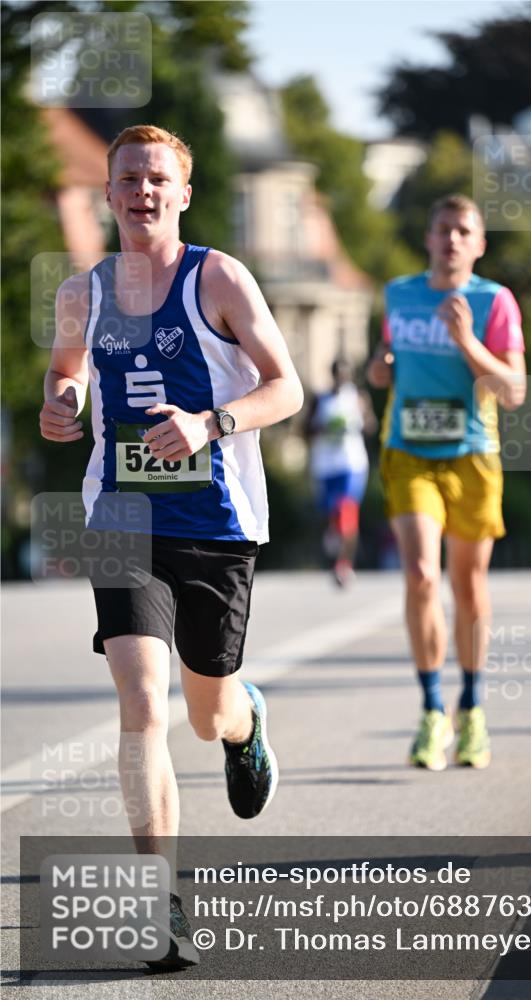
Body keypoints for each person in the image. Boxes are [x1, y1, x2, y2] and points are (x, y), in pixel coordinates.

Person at [39, 124, 303, 968]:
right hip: (121, 517)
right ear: (108, 194)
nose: (141, 191)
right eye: (127, 179)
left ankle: (244, 720)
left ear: (182, 193)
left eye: (157, 178)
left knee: (203, 711)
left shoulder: (218, 277)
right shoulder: (82, 292)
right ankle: (161, 907)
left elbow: (285, 387)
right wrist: (64, 398)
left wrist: (210, 423)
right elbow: (66, 369)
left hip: (217, 526)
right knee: (143, 702)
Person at [367, 193, 526, 772]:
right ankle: (433, 710)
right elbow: (384, 360)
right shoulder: (399, 294)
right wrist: (379, 369)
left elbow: (514, 390)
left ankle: (473, 708)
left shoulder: (494, 301)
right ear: (429, 239)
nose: (452, 240)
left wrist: (465, 340)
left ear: (479, 244)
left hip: (472, 455)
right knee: (420, 575)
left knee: (468, 583)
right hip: (408, 451)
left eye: (464, 231)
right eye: (443, 229)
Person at [304, 357, 376, 586]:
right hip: (325, 466)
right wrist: (323, 428)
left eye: (345, 375)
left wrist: (359, 423)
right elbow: (305, 429)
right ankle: (335, 552)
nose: (341, 379)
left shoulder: (358, 398)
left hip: (351, 464)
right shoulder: (320, 399)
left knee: (346, 511)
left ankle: (343, 565)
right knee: (331, 517)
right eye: (338, 374)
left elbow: (371, 426)